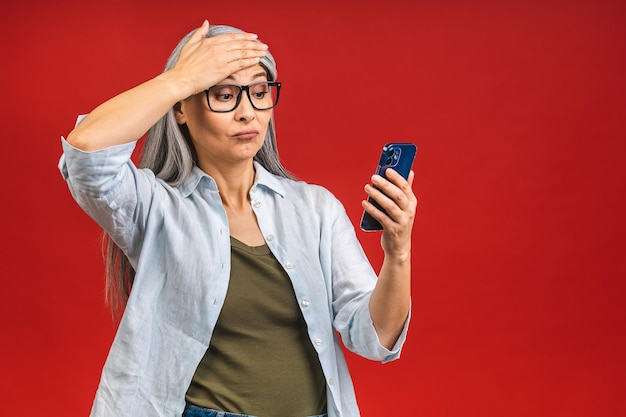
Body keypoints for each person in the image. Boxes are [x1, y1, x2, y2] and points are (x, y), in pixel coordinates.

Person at [59, 20, 417, 417]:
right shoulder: (156, 207)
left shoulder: (315, 209)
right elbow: (87, 152)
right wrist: (181, 79)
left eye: (260, 93)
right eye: (224, 94)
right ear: (181, 109)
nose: (248, 113)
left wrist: (398, 253)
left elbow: (376, 337)